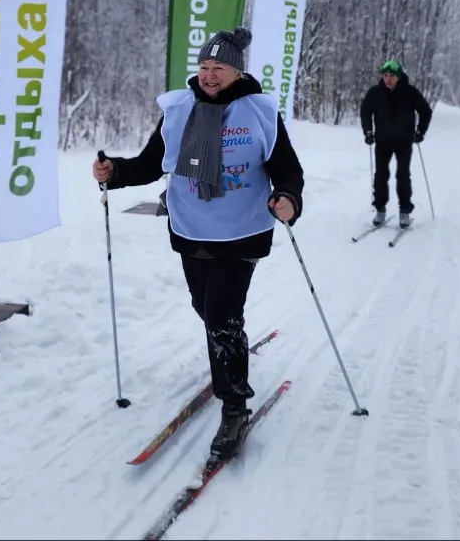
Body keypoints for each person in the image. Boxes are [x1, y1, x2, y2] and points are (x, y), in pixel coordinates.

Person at [92, 26, 304, 461]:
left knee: (223, 315)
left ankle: (234, 405)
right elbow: (152, 164)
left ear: (236, 72)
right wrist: (114, 171)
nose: (209, 75)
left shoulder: (258, 112)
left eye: (218, 67)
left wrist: (287, 198)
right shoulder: (179, 109)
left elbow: (288, 170)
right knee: (206, 307)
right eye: (204, 67)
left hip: (241, 229)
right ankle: (227, 352)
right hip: (191, 229)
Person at [359, 59, 432, 229]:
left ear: (398, 76)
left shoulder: (410, 92)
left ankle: (405, 210)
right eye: (385, 75)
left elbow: (425, 112)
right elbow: (365, 112)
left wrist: (420, 131)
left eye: (391, 75)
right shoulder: (375, 93)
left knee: (403, 175)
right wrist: (368, 132)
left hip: (404, 140)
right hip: (383, 140)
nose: (388, 79)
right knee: (381, 175)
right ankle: (380, 209)